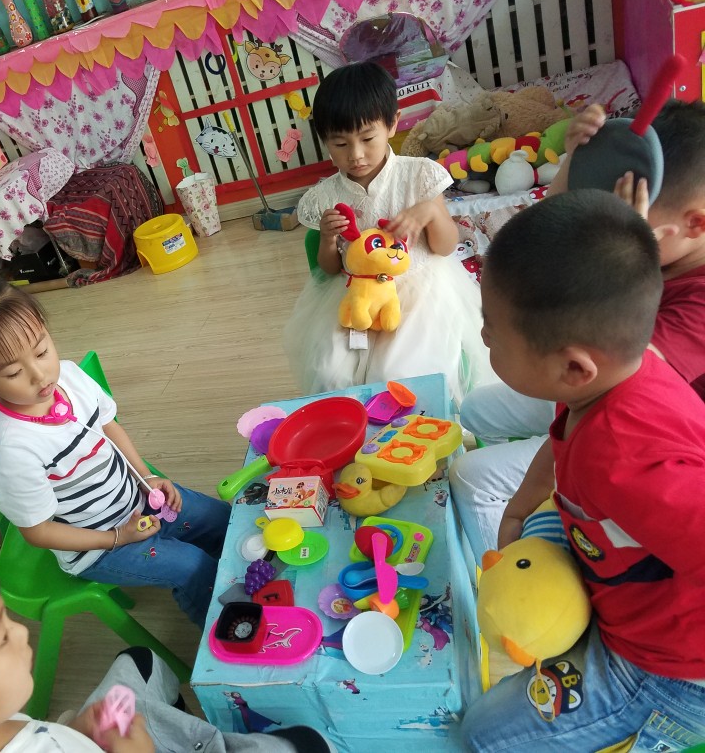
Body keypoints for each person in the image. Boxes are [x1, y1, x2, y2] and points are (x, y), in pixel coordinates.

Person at [458, 191, 705, 750]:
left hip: (662, 671)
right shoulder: (620, 375)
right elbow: (562, 437)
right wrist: (521, 504)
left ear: (573, 367)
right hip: (616, 571)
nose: (484, 336)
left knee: (483, 735)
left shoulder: (624, 459)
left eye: (492, 329)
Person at [451, 100, 705, 558]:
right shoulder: (657, 247)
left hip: (627, 423)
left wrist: (532, 493)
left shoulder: (687, 305)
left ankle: (502, 568)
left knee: (472, 478)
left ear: (695, 223)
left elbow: (612, 389)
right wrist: (574, 161)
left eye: (625, 214)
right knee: (475, 410)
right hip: (586, 390)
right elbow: (552, 240)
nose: (603, 226)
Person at [0, 541, 336, 752]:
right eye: (2, 637)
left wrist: (76, 729)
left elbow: (30, 733)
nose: (22, 634)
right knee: (308, 744)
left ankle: (173, 721)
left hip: (82, 738)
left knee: (139, 663)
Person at [0, 278, 230, 629]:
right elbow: (38, 532)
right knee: (193, 567)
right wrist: (117, 538)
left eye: (41, 351)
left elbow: (108, 425)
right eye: (13, 372)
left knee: (222, 519)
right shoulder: (12, 452)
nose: (40, 376)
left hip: (137, 499)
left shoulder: (71, 377)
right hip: (98, 548)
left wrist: (146, 476)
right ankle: (228, 631)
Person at [282, 60, 495, 401]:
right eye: (340, 144)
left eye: (368, 138)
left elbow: (445, 247)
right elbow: (329, 269)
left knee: (399, 372)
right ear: (324, 140)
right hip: (354, 295)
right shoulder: (325, 195)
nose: (356, 155)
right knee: (330, 370)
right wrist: (328, 239)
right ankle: (355, 427)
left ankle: (413, 429)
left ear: (393, 123)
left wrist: (430, 212)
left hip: (419, 291)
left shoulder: (418, 174)